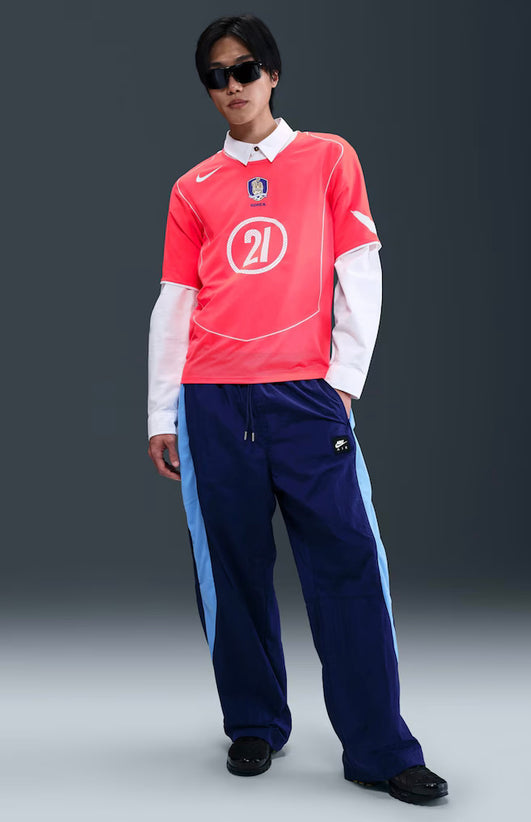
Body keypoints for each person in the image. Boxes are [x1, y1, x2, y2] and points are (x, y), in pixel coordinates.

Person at [147, 13, 448, 805]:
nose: (232, 86)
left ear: (273, 74)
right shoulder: (193, 189)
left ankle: (380, 748)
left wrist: (343, 380)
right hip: (212, 400)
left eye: (245, 69)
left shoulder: (328, 158)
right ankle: (253, 723)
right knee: (229, 570)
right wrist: (161, 415)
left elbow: (361, 268)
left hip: (306, 397)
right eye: (216, 76)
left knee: (348, 561)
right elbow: (176, 301)